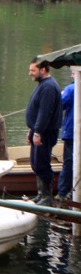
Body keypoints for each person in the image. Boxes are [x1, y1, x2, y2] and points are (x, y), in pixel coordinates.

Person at [26, 59, 62, 206]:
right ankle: (41, 194)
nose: (30, 73)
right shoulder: (42, 85)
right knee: (35, 163)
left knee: (42, 164)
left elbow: (45, 112)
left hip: (45, 132)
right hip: (37, 130)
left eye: (33, 70)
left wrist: (38, 132)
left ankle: (47, 197)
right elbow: (37, 109)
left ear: (42, 70)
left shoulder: (48, 87)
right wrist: (32, 129)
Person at [57, 70, 76, 203]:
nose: (71, 75)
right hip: (72, 132)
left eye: (73, 73)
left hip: (72, 132)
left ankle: (63, 194)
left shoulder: (71, 89)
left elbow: (59, 105)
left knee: (68, 163)